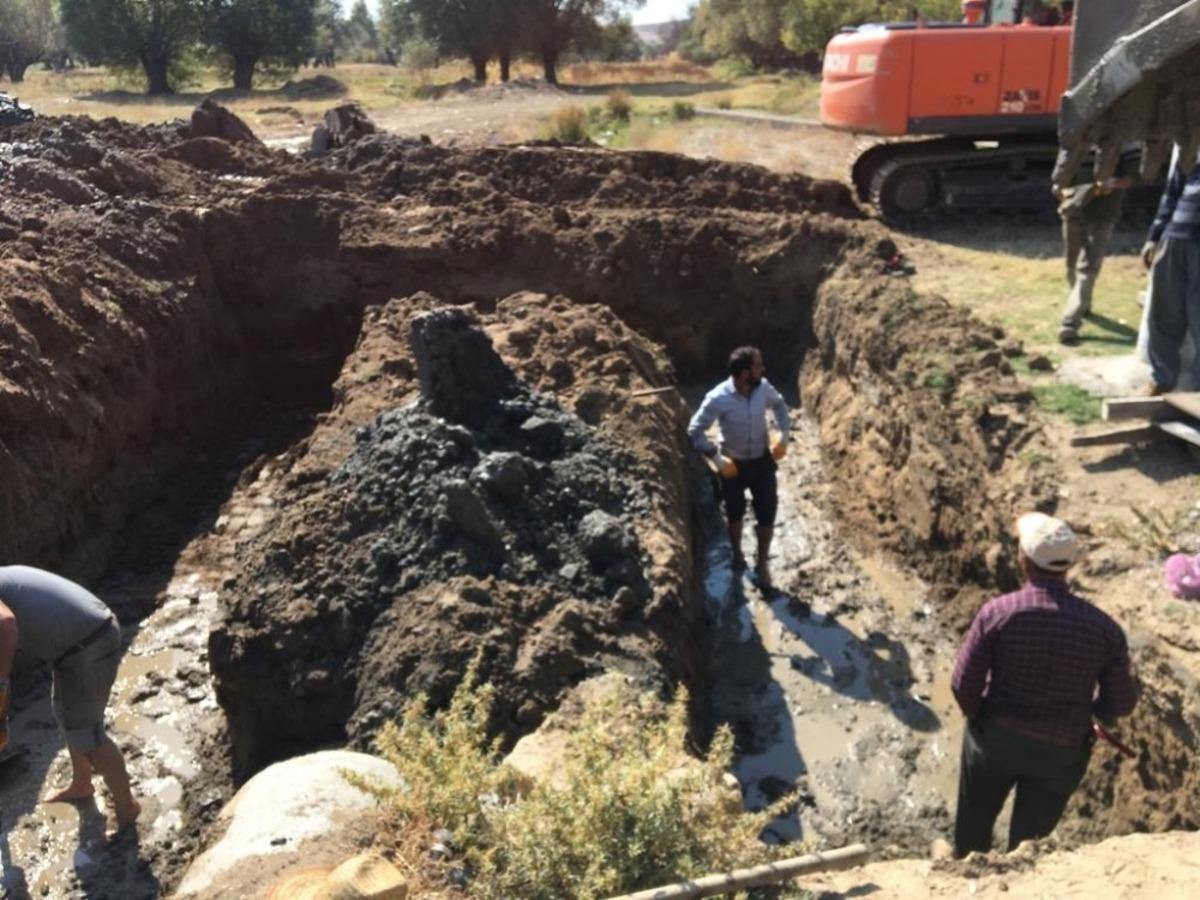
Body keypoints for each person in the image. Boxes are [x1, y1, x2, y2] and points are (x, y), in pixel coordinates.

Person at [949, 513, 1137, 856]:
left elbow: (964, 685)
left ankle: (966, 868)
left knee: (972, 830)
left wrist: (979, 718)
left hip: (995, 741)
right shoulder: (1104, 629)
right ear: (1069, 565)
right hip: (1060, 752)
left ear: (1023, 561)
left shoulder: (998, 613)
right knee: (1029, 846)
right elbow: (1121, 702)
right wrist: (1090, 715)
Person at [0, 565, 140, 833]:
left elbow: (5, 624)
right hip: (78, 640)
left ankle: (127, 808)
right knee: (66, 713)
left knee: (90, 736)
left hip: (88, 644)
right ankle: (82, 783)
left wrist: (1, 683)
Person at [688, 346, 790, 589]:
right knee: (734, 512)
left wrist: (784, 434)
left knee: (767, 511)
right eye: (758, 366)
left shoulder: (763, 387)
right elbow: (695, 430)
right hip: (732, 465)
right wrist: (716, 458)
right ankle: (737, 553)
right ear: (745, 373)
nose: (762, 369)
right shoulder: (718, 397)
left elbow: (778, 404)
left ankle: (762, 564)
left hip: (762, 461)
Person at [1056, 146, 1138, 345]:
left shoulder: (1123, 145)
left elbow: (1134, 177)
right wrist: (1062, 191)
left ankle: (1070, 323)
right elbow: (1060, 175)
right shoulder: (1074, 142)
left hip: (1103, 216)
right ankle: (1082, 303)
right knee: (1071, 264)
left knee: (1088, 268)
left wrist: (1113, 184)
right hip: (1073, 213)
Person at [1142, 144, 1200, 394]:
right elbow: (1172, 192)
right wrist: (1154, 236)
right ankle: (1163, 378)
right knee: (1164, 312)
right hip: (1175, 237)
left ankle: (1197, 390)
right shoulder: (1193, 145)